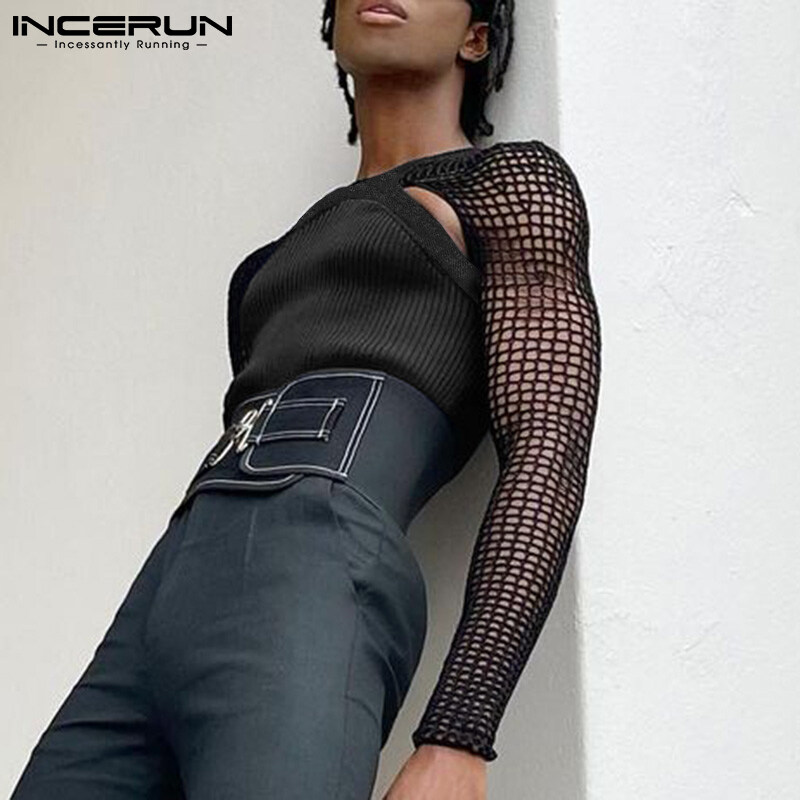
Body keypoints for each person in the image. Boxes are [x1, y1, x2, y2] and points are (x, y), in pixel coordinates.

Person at [10, 1, 602, 798]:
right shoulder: (264, 270)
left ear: (477, 37)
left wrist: (460, 731)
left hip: (311, 570)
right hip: (165, 587)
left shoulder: (509, 186)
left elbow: (546, 451)